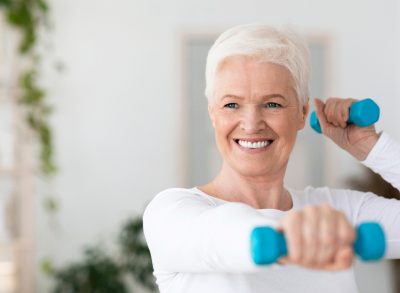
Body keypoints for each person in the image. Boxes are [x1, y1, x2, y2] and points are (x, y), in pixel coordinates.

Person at [143, 24, 400, 293]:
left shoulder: (337, 211)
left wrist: (372, 148)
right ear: (213, 114)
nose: (252, 124)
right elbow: (227, 235)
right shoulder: (171, 213)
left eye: (272, 104)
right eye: (232, 104)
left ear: (302, 113)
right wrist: (289, 236)